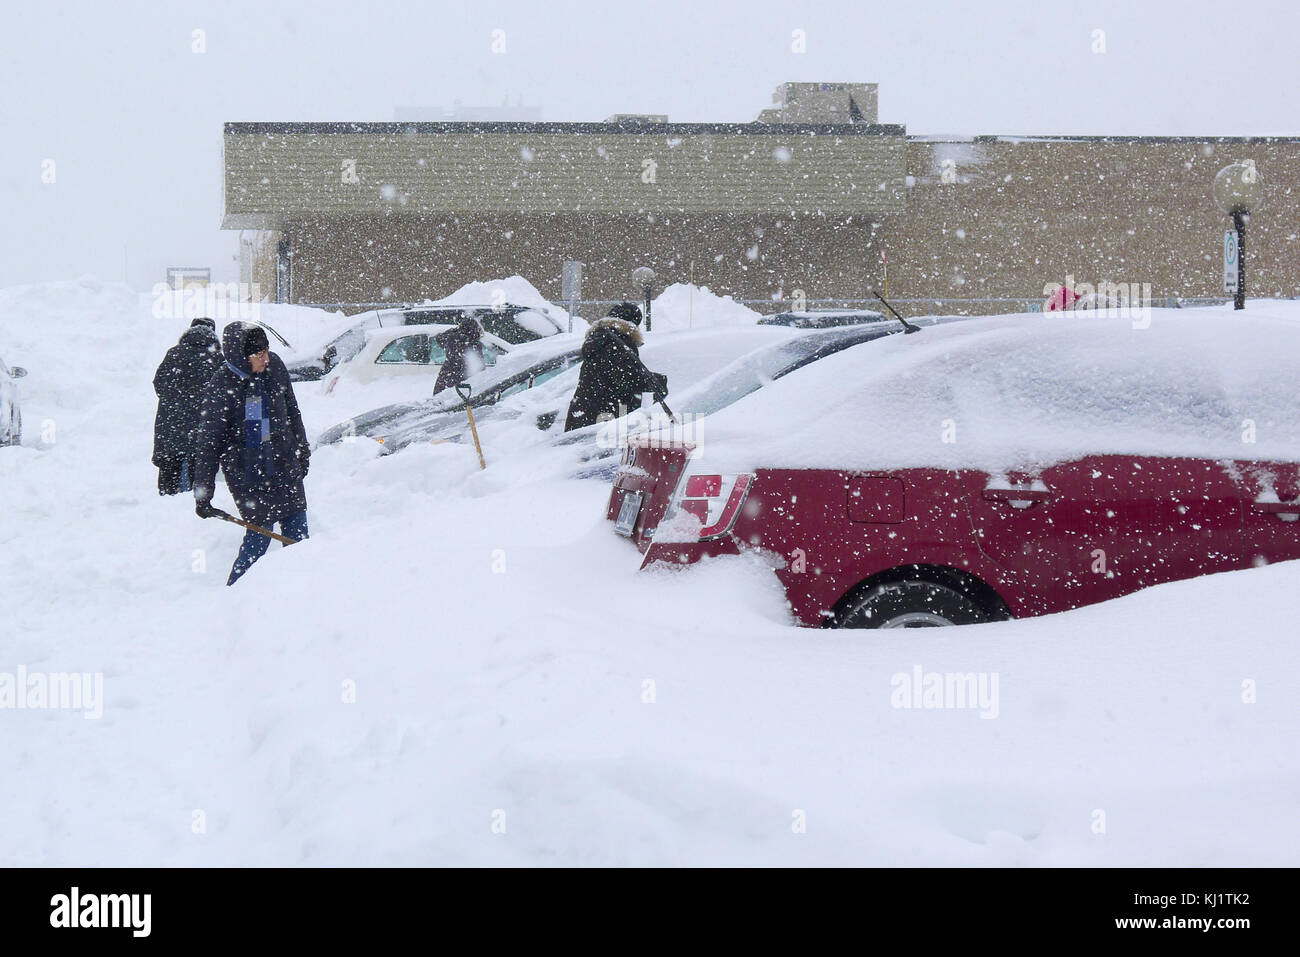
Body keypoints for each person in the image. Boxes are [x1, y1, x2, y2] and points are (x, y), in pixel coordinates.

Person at [192, 322, 311, 585]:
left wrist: (302, 449)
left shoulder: (275, 368)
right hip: (249, 473)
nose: (266, 359)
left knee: (300, 540)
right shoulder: (221, 386)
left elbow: (292, 410)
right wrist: (203, 492)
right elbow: (208, 444)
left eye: (267, 351)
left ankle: (302, 595)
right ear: (239, 357)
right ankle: (235, 596)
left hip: (284, 463)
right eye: (259, 355)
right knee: (259, 540)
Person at [563, 302, 668, 432]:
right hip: (605, 417)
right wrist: (655, 382)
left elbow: (614, 373)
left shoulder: (600, 339)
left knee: (576, 451)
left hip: (583, 414)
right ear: (633, 324)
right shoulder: (619, 341)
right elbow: (624, 377)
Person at [151, 317, 223, 495]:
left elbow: (159, 383)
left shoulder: (174, 354)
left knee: (169, 482)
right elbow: (223, 394)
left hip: (170, 429)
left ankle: (166, 505)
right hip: (201, 430)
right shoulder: (216, 358)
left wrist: (175, 402)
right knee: (197, 483)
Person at [433, 315, 485, 395]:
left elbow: (439, 338)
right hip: (463, 385)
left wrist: (455, 330)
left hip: (446, 379)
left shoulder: (452, 339)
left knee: (441, 403)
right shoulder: (473, 344)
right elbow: (479, 367)